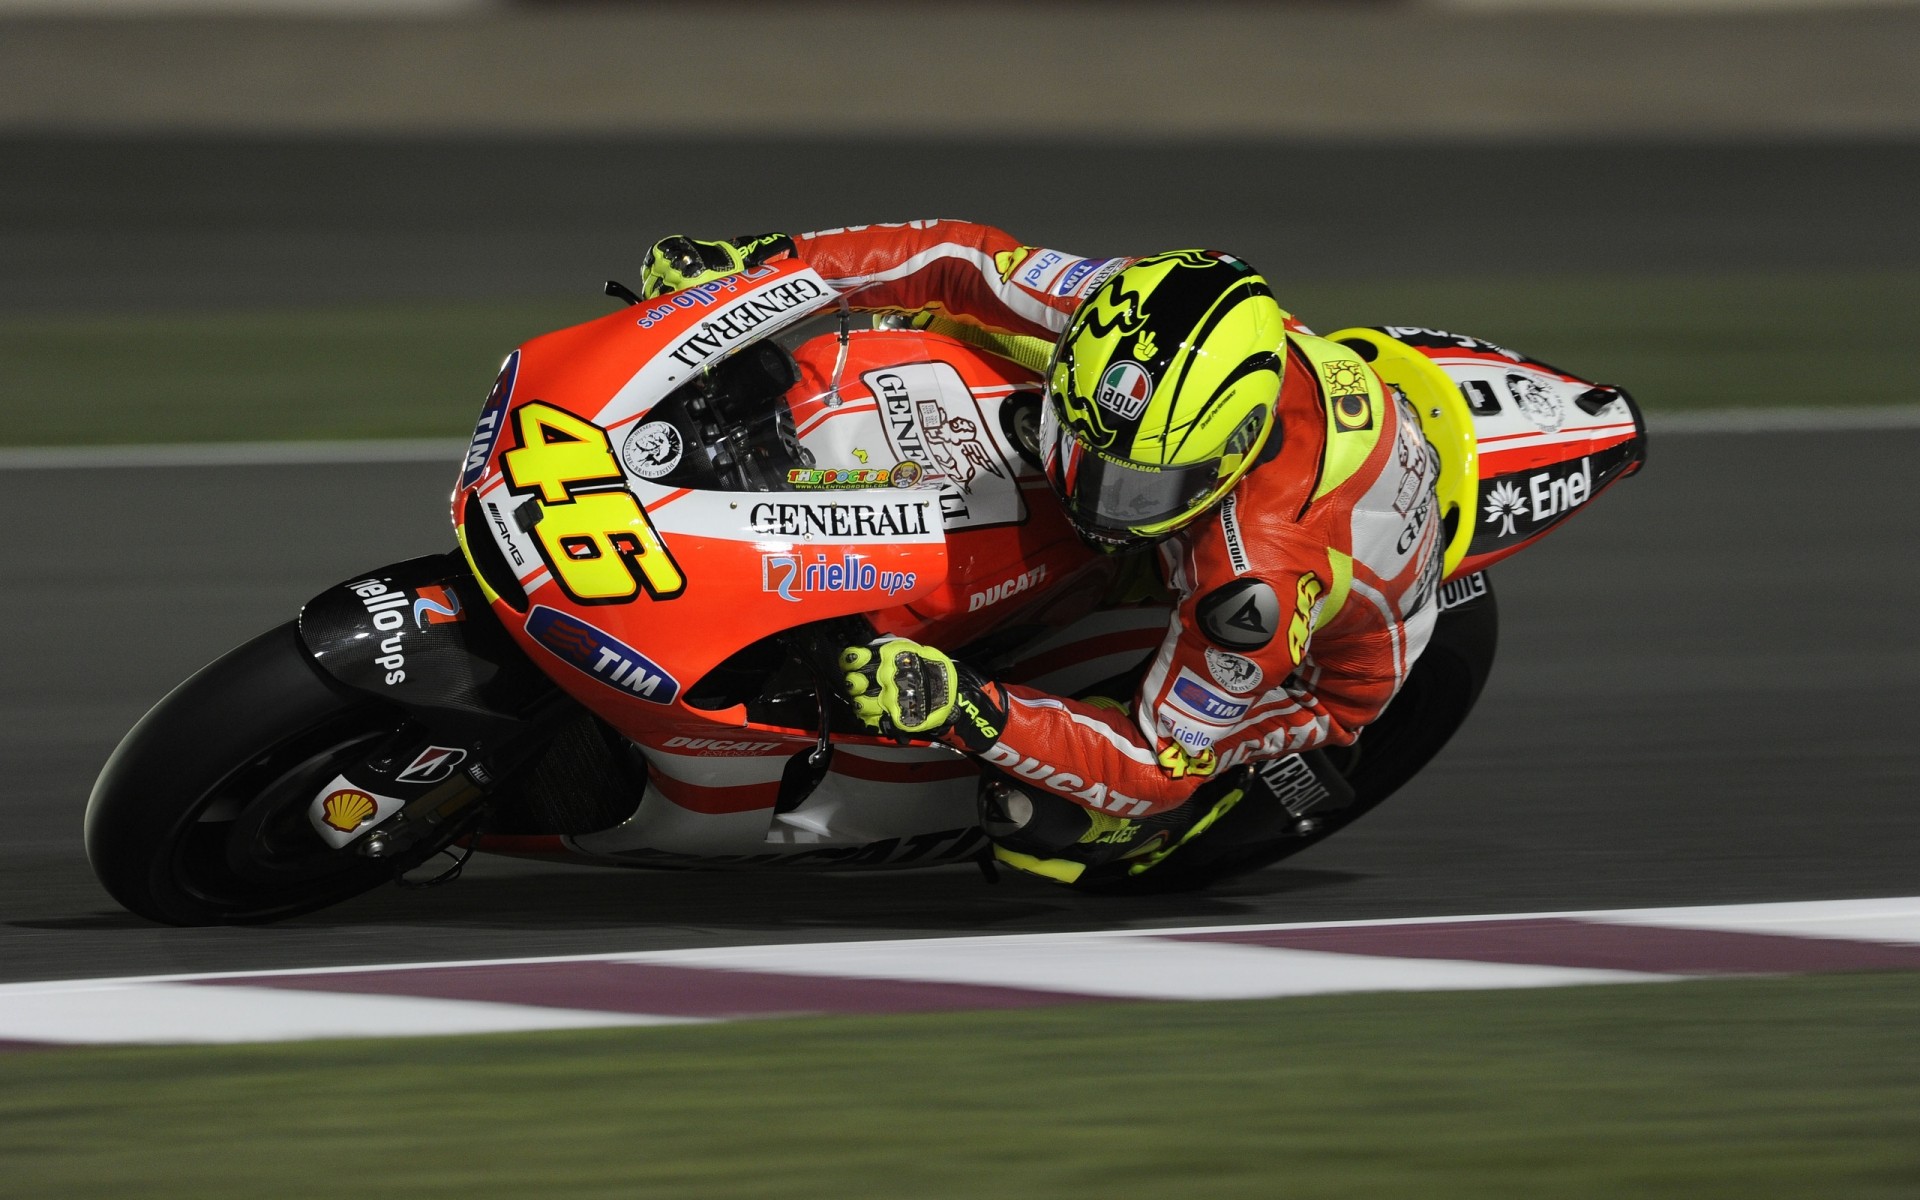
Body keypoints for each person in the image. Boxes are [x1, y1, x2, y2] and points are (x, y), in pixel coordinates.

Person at [640, 221, 1443, 882]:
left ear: (1232, 453)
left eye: (1131, 487)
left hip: (1316, 677)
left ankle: (1152, 836)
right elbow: (958, 260)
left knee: (1048, 822)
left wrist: (966, 706)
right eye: (1082, 451)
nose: (1092, 496)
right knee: (944, 325)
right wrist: (762, 271)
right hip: (1220, 464)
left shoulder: (1254, 586)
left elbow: (1158, 760)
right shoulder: (1126, 312)